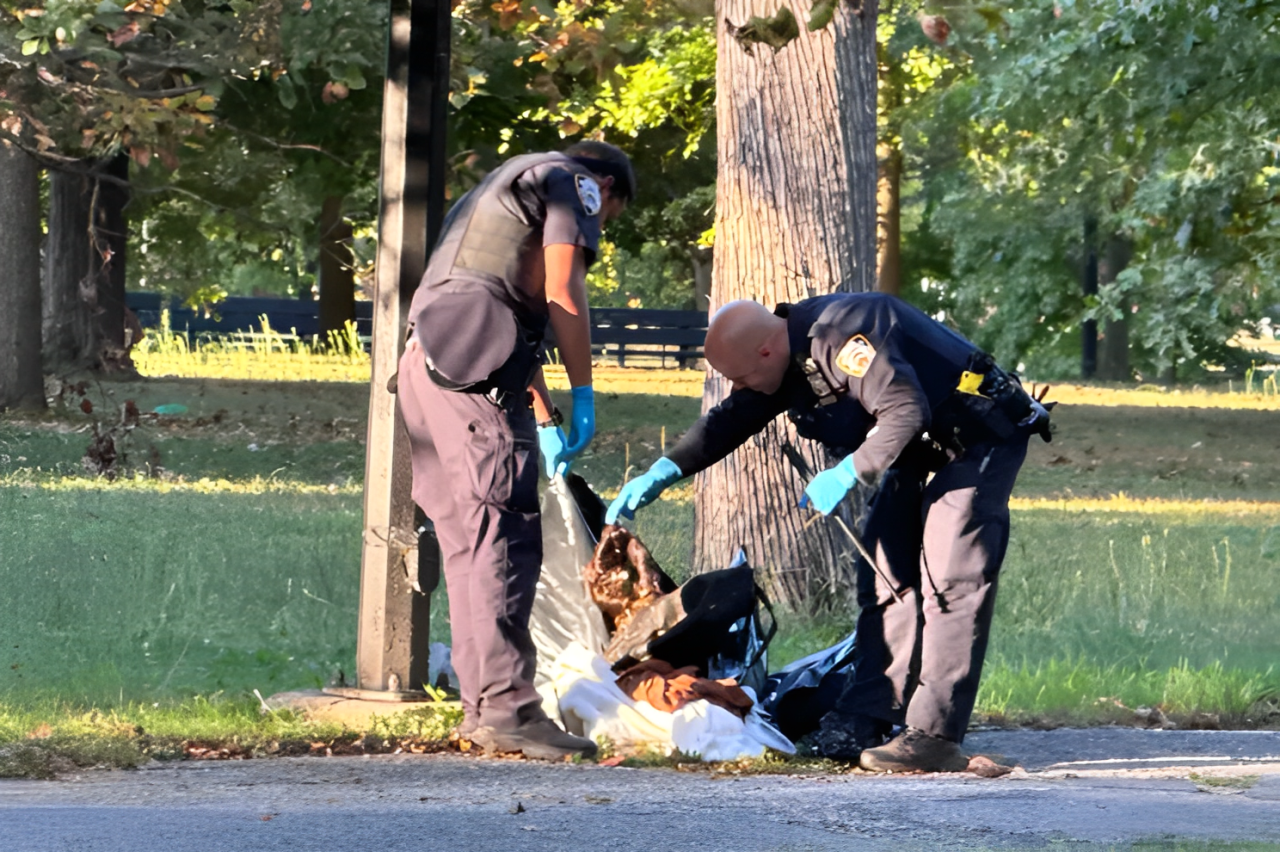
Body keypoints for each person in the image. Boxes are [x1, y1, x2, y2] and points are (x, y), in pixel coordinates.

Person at [604, 293, 1051, 772]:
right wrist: (663, 472)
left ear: (766, 352)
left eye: (742, 377)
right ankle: (869, 715)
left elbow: (904, 411)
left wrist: (847, 472)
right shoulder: (781, 359)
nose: (742, 388)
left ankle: (934, 735)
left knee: (951, 580)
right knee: (885, 578)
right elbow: (730, 420)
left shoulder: (846, 335)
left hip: (977, 437)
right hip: (915, 449)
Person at [396, 140, 635, 760]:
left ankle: (484, 707)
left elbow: (500, 307)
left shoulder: (499, 187)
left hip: (430, 365)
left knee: (469, 545)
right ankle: (509, 710)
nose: (597, 228)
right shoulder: (574, 181)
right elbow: (561, 288)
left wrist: (545, 409)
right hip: (474, 369)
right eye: (607, 219)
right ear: (605, 189)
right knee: (504, 538)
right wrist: (584, 389)